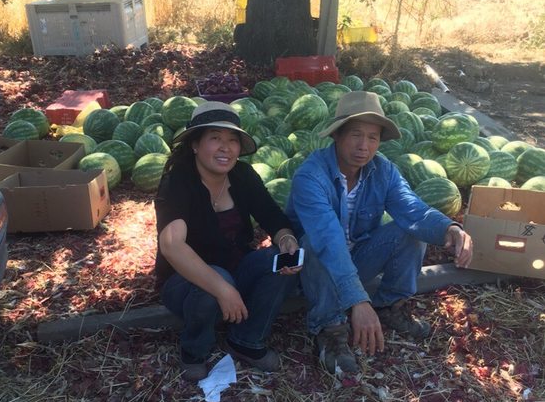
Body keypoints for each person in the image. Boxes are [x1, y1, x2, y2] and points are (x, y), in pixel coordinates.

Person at [286, 90, 473, 374]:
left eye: (372, 138)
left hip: (357, 259)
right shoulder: (311, 176)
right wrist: (358, 300)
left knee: (409, 230)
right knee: (312, 242)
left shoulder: (383, 170)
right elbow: (328, 241)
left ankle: (389, 306)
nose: (364, 146)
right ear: (337, 135)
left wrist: (450, 228)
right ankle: (330, 329)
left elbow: (413, 210)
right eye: (356, 135)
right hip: (313, 272)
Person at [155, 101, 302, 381]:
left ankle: (247, 340)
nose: (226, 148)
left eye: (232, 140)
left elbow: (272, 216)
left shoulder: (243, 175)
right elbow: (172, 245)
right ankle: (194, 350)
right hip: (183, 283)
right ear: (195, 145)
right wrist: (223, 289)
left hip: (236, 271)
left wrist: (286, 240)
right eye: (215, 138)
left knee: (281, 261)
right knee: (215, 279)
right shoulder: (178, 182)